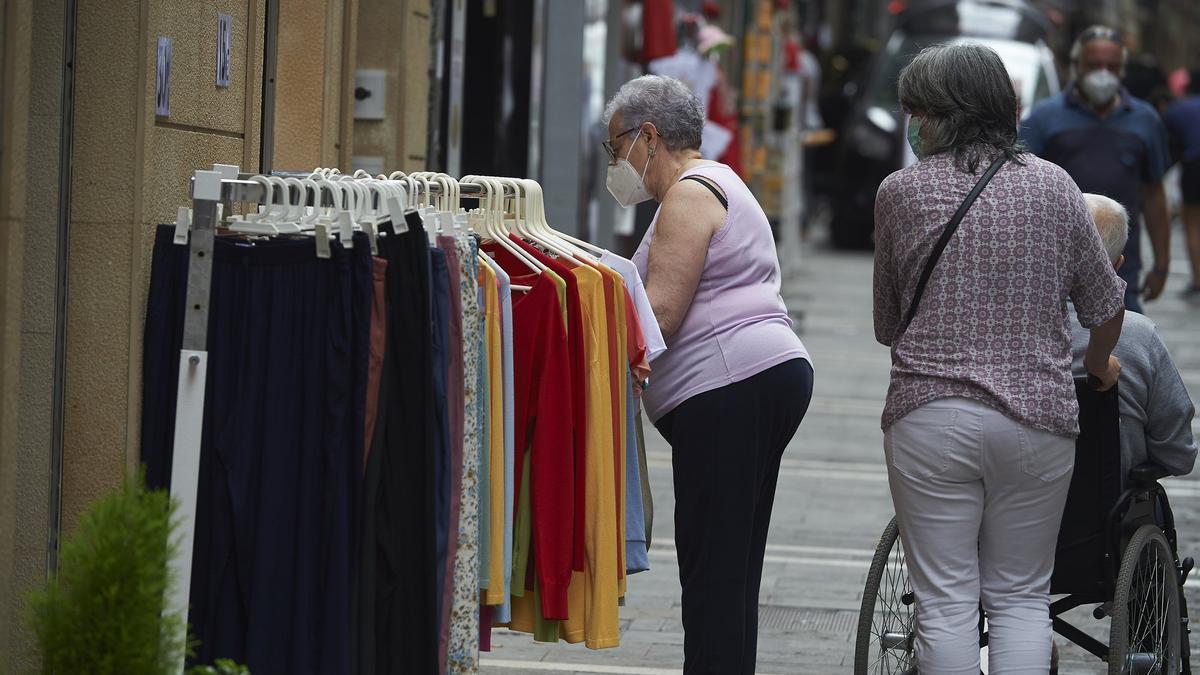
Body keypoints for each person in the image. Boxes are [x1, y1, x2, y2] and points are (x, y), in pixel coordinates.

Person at [873, 44, 1126, 673]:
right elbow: (1105, 305)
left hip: (929, 415)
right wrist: (1098, 364)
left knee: (946, 602)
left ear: (945, 115)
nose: (913, 124)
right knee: (1020, 598)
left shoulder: (899, 192)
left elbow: (886, 323)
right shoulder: (1055, 187)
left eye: (919, 111)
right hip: (1036, 421)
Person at [602, 74, 814, 674]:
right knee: (731, 564)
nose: (615, 163)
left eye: (615, 147)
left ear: (648, 136)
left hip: (729, 387)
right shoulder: (717, 183)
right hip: (751, 383)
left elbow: (661, 312)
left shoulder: (691, 193)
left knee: (713, 568)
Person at [1021, 25, 1172, 313]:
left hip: (1121, 267)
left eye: (1112, 66)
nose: (1103, 73)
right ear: (1076, 66)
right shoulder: (1043, 119)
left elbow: (1154, 193)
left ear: (1122, 70)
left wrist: (1162, 265)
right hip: (1055, 271)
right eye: (1094, 65)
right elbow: (1021, 189)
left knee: (1124, 345)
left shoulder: (1145, 120)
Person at [1073, 194, 1198, 476]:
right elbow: (1178, 454)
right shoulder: (1138, 336)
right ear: (1116, 266)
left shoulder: (1004, 328)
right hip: (1109, 505)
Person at [1163, 70, 1200, 296]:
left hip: (1195, 166)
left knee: (1193, 224)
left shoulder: (1178, 110)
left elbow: (1168, 148)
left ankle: (1198, 280)